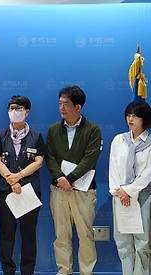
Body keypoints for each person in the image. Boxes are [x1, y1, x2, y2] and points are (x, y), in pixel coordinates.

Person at [45, 85, 102, 275]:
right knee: (61, 235)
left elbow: (90, 158)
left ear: (78, 107)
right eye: (59, 103)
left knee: (85, 235)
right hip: (59, 190)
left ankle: (87, 272)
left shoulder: (93, 129)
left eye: (66, 104)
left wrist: (70, 178)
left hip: (83, 191)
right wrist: (60, 178)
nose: (61, 108)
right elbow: (49, 157)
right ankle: (64, 271)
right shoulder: (53, 130)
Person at [0, 95, 45, 275]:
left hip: (29, 191)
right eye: (12, 108)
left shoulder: (36, 136)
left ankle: (27, 270)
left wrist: (19, 176)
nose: (15, 111)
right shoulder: (0, 135)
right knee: (7, 234)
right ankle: (8, 270)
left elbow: (39, 161)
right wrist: (10, 179)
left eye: (19, 108)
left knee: (28, 234)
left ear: (27, 112)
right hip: (5, 192)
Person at [108, 100, 151, 275]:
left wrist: (129, 191)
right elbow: (113, 168)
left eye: (135, 115)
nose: (130, 119)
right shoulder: (118, 140)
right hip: (120, 196)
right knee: (122, 243)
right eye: (128, 115)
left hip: (142, 196)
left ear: (144, 119)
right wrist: (119, 191)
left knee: (143, 243)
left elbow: (148, 173)